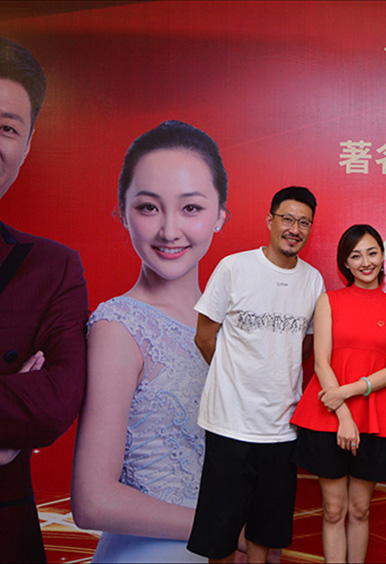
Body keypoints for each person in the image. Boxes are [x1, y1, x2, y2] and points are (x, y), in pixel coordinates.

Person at [70, 120, 229, 562]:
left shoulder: (232, 327)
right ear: (122, 212)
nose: (170, 230)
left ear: (220, 214)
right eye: (148, 207)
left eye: (191, 207)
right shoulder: (119, 327)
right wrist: (223, 527)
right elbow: (93, 501)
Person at [187, 186, 325, 564]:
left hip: (281, 426)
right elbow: (204, 337)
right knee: (220, 531)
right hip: (229, 422)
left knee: (267, 529)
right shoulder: (234, 268)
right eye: (287, 219)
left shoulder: (313, 280)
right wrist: (234, 378)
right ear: (270, 220)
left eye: (304, 222)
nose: (294, 229)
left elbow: (306, 345)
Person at [0, 36, 88, 563]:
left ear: (28, 144)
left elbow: (56, 403)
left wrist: (32, 409)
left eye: (7, 128)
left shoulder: (53, 267)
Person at [291, 224, 386, 563]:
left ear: (383, 256)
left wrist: (346, 391)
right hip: (328, 417)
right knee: (333, 509)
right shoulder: (328, 301)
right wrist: (343, 415)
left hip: (375, 417)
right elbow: (321, 362)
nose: (365, 262)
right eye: (356, 256)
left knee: (360, 509)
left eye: (372, 253)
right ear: (345, 263)